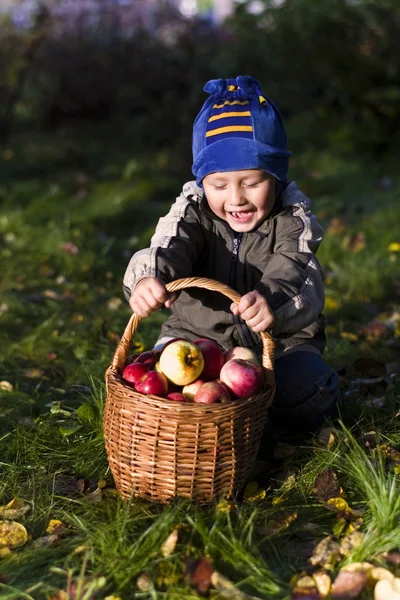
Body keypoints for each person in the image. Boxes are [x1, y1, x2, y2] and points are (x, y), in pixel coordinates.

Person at [123, 75, 340, 434]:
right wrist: (150, 278)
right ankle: (235, 424)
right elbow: (168, 247)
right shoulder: (193, 213)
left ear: (276, 178)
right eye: (219, 185)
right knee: (161, 388)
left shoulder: (291, 221)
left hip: (279, 345)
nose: (236, 198)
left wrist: (271, 301)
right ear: (202, 182)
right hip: (195, 339)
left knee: (302, 390)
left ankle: (261, 419)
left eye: (252, 183)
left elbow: (297, 274)